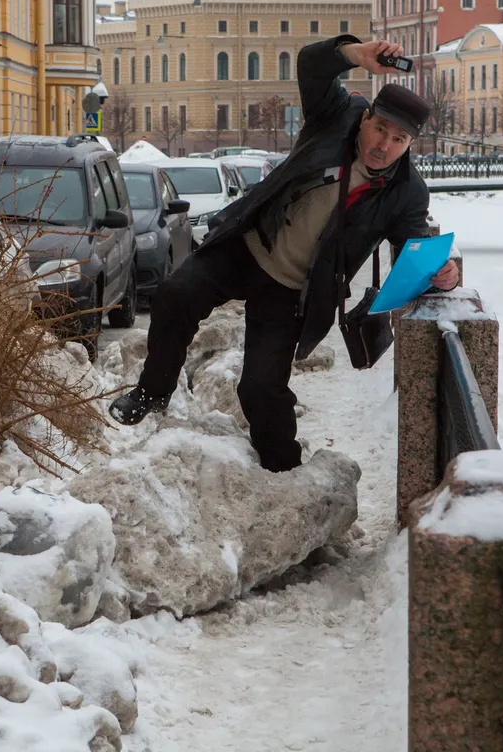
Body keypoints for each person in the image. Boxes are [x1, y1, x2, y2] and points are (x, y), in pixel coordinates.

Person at [108, 35, 460, 473]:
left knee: (261, 390)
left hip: (293, 290)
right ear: (366, 118)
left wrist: (441, 273)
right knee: (176, 294)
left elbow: (413, 247)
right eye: (380, 130)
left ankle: (284, 472)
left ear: (410, 145)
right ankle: (152, 391)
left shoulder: (407, 192)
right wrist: (355, 55)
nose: (383, 145)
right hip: (248, 244)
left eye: (399, 140)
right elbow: (312, 64)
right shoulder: (335, 116)